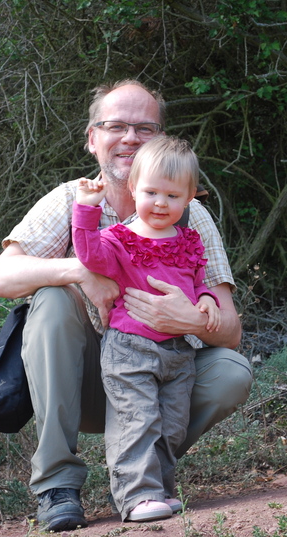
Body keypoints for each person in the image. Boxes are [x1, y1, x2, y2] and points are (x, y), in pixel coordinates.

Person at [0, 79, 253, 532]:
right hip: (85, 381)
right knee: (51, 299)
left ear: (160, 140)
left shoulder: (192, 216)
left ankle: (146, 478)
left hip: (163, 372)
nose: (130, 138)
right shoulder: (71, 199)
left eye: (145, 128)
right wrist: (79, 271)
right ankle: (57, 485)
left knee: (232, 370)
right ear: (93, 139)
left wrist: (191, 318)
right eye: (116, 126)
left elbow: (230, 330)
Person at [72, 134, 221, 522]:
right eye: (151, 192)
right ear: (134, 188)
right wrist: (86, 209)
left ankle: (159, 490)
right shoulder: (120, 239)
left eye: (172, 196)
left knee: (171, 427)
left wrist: (207, 299)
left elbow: (197, 282)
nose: (160, 203)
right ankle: (137, 496)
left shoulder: (188, 241)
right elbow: (88, 255)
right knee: (135, 422)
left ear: (189, 198)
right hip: (130, 348)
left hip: (178, 353)